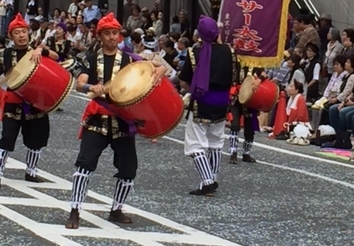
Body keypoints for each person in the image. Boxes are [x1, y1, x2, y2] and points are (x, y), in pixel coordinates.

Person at [65, 12, 165, 229]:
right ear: (100, 36)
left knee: (129, 169)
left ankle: (116, 209)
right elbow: (79, 82)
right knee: (84, 166)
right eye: (107, 34)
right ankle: (74, 209)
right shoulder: (91, 59)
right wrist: (92, 87)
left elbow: (158, 65)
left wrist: (161, 70)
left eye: (115, 33)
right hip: (97, 120)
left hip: (122, 121)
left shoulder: (130, 59)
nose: (112, 37)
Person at [179, 16, 236, 196]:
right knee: (216, 142)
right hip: (222, 102)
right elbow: (234, 77)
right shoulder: (230, 52)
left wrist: (196, 90)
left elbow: (183, 81)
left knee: (195, 145)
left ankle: (208, 180)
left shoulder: (194, 52)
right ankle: (211, 179)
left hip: (201, 102)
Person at [0, 14, 58, 184]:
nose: (21, 35)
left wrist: (42, 50)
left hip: (36, 102)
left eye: (23, 31)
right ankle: (0, 170)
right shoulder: (5, 54)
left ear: (28, 33)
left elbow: (56, 58)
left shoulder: (36, 50)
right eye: (17, 33)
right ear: (11, 36)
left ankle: (31, 171)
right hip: (14, 101)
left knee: (37, 139)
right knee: (7, 137)